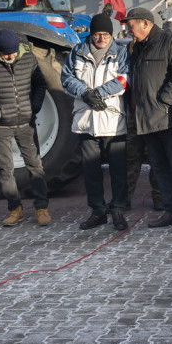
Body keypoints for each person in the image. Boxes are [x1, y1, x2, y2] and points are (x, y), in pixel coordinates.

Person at [122, 7, 172, 233]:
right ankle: (171, 210)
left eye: (131, 25)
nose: (128, 29)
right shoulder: (136, 47)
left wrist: (164, 102)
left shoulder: (170, 41)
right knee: (159, 168)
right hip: (146, 118)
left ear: (146, 23)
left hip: (167, 118)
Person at [0, 30, 51, 227]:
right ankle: (15, 209)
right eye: (5, 54)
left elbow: (40, 84)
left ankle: (42, 208)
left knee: (35, 166)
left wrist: (34, 107)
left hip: (26, 124)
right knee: (5, 170)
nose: (10, 57)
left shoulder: (28, 59)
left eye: (13, 53)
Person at [61, 13, 130, 231]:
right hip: (85, 121)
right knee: (91, 171)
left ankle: (118, 210)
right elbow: (66, 78)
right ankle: (98, 211)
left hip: (113, 121)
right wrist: (85, 93)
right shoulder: (77, 52)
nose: (101, 38)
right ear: (91, 34)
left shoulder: (121, 53)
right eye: (97, 34)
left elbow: (125, 79)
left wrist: (99, 94)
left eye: (105, 34)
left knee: (118, 170)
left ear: (111, 35)